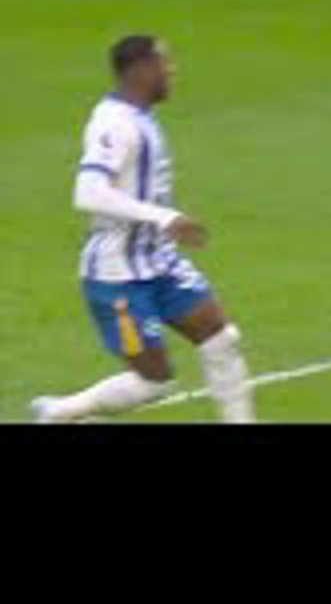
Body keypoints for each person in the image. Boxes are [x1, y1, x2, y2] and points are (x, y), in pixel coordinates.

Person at [30, 36, 256, 423]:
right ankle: (61, 412)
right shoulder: (115, 125)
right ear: (140, 69)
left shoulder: (139, 117)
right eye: (164, 63)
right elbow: (88, 193)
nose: (171, 71)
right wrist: (163, 218)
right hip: (117, 276)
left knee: (222, 340)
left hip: (157, 261)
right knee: (153, 383)